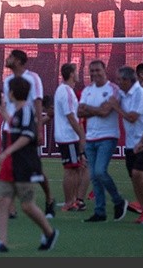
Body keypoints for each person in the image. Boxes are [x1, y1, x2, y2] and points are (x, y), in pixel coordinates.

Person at [0, 76, 59, 254]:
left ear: (12, 92)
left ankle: (49, 233)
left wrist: (6, 152)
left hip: (24, 163)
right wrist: (2, 110)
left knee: (27, 205)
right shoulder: (20, 112)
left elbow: (27, 136)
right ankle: (1, 242)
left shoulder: (27, 110)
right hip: (11, 163)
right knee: (2, 200)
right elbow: (14, 125)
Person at [2, 50, 56, 217]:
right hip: (9, 130)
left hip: (27, 129)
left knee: (34, 169)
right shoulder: (8, 80)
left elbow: (38, 104)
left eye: (10, 57)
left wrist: (39, 130)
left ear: (18, 60)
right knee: (10, 167)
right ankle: (11, 209)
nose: (7, 59)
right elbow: (8, 105)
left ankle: (49, 198)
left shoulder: (33, 78)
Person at [78, 59, 129, 223]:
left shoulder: (113, 89)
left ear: (104, 70)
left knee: (100, 171)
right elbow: (79, 112)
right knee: (94, 176)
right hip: (91, 137)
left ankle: (118, 200)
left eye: (97, 70)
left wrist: (90, 109)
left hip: (108, 136)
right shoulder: (87, 90)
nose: (94, 73)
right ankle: (100, 211)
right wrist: (98, 110)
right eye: (92, 70)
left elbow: (106, 112)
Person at [110, 66, 143, 224]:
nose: (117, 82)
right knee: (135, 177)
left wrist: (116, 107)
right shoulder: (123, 93)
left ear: (127, 80)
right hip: (131, 143)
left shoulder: (140, 93)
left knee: (138, 174)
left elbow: (132, 117)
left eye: (119, 79)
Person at [53, 63, 88, 213]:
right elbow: (70, 117)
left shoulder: (67, 90)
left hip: (69, 136)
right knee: (71, 169)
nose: (79, 73)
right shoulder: (65, 91)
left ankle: (73, 200)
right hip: (68, 136)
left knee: (77, 168)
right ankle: (69, 202)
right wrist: (81, 135)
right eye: (76, 71)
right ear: (72, 74)